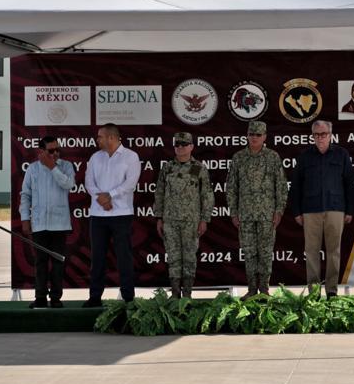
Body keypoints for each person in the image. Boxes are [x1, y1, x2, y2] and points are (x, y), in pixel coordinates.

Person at [289, 120, 354, 298]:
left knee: (334, 250)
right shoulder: (305, 156)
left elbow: (350, 184)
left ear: (330, 134)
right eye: (316, 135)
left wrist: (350, 210)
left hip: (336, 208)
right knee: (311, 251)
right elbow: (296, 185)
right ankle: (313, 291)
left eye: (324, 134)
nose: (320, 138)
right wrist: (296, 211)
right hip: (310, 210)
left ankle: (332, 290)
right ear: (312, 136)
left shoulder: (341, 154)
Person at [227, 121, 289, 298]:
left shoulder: (272, 157)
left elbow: (281, 186)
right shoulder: (239, 157)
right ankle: (252, 289)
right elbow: (231, 187)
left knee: (265, 253)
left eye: (258, 135)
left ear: (264, 137)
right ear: (247, 135)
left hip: (266, 215)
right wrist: (234, 212)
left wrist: (279, 211)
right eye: (251, 134)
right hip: (245, 215)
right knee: (249, 253)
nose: (254, 137)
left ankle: (264, 289)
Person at [83, 123, 141, 307]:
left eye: (100, 136)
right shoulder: (95, 157)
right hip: (98, 215)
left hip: (121, 214)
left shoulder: (130, 156)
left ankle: (128, 297)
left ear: (111, 138)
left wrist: (110, 196)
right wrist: (101, 198)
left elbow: (130, 183)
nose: (97, 139)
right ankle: (95, 297)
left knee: (124, 256)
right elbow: (88, 182)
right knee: (97, 257)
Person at [155, 131, 213, 298]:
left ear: (191, 147)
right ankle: (174, 295)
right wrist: (159, 218)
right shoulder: (167, 168)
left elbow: (207, 195)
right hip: (170, 221)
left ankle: (187, 295)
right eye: (177, 145)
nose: (180, 148)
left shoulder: (199, 168)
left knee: (189, 259)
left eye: (184, 144)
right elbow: (159, 193)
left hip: (191, 222)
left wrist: (204, 219)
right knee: (173, 258)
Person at [19, 135, 75, 308]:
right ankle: (40, 297)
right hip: (39, 223)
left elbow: (69, 185)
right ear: (41, 151)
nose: (56, 153)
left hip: (59, 223)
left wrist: (52, 167)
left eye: (58, 149)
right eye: (51, 151)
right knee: (40, 262)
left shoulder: (66, 166)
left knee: (58, 262)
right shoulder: (33, 169)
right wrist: (25, 219)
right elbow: (25, 195)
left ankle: (56, 298)